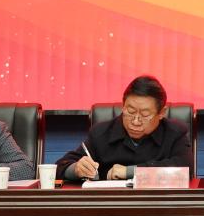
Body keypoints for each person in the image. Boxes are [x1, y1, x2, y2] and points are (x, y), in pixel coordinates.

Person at [58, 75, 192, 181]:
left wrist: (129, 171)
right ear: (123, 106)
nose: (135, 121)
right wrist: (76, 169)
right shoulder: (101, 133)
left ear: (161, 113)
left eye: (145, 115)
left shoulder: (174, 133)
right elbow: (60, 166)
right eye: (130, 111)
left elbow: (185, 168)